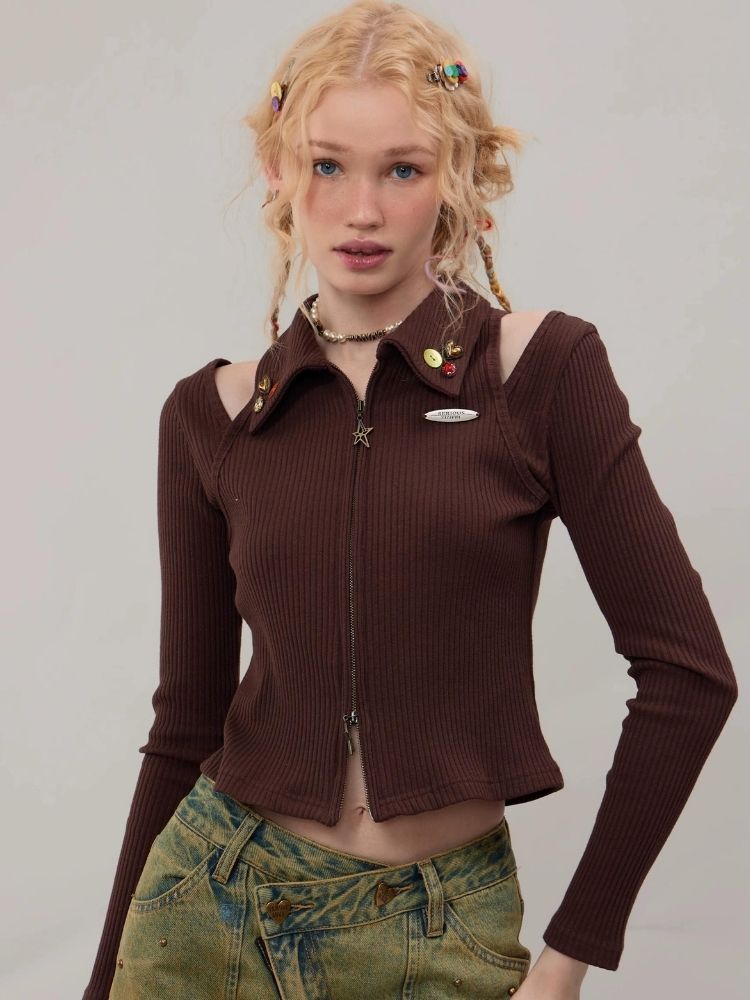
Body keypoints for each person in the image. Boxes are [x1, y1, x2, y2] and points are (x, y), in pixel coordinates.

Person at [83, 2, 738, 998]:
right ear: (277, 170)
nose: (361, 209)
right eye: (326, 164)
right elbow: (186, 727)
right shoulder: (214, 414)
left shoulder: (540, 373)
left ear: (456, 176)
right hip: (206, 907)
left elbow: (689, 675)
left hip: (438, 927)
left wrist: (570, 956)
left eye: (402, 168)